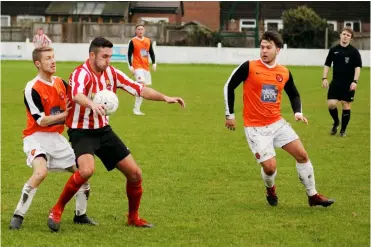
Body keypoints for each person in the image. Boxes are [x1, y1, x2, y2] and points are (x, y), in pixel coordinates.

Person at [47, 37, 185, 232]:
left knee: (135, 173)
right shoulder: (80, 73)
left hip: (103, 131)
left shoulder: (112, 73)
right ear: (92, 55)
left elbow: (140, 89)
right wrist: (92, 104)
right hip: (82, 131)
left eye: (110, 56)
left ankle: (133, 218)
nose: (108, 61)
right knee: (86, 171)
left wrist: (165, 98)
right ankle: (57, 209)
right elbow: (77, 95)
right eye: (104, 56)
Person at [223, 31, 335, 208]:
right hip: (255, 128)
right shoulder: (249, 66)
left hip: (277, 123)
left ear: (278, 50)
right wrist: (230, 115)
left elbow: (294, 94)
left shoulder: (283, 72)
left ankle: (313, 196)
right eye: (262, 47)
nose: (264, 51)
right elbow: (229, 86)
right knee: (270, 168)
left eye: (268, 47)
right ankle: (271, 190)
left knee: (302, 155)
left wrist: (297, 112)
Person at [9, 47, 96, 230]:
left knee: (83, 173)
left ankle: (80, 215)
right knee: (40, 173)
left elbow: (77, 100)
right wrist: (66, 115)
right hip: (35, 137)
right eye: (48, 58)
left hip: (56, 138)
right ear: (38, 63)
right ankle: (18, 215)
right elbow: (41, 120)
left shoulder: (61, 83)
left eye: (53, 57)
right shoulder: (31, 88)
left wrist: (95, 100)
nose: (53, 61)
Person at [322, 26, 362, 137]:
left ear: (351, 38)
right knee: (331, 104)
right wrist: (324, 78)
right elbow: (327, 64)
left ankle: (343, 131)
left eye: (348, 35)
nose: (345, 36)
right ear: (340, 35)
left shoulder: (354, 52)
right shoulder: (333, 50)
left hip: (348, 83)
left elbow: (357, 67)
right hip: (335, 82)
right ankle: (336, 122)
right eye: (344, 34)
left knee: (346, 104)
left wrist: (355, 81)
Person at [127, 24, 157, 115]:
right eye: (138, 29)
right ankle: (136, 109)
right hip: (137, 67)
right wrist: (131, 67)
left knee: (144, 88)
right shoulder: (133, 41)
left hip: (146, 68)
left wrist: (154, 63)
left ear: (144, 30)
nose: (140, 30)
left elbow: (151, 52)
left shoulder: (148, 41)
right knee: (142, 87)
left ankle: (131, 86)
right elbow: (128, 54)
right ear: (136, 31)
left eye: (142, 29)